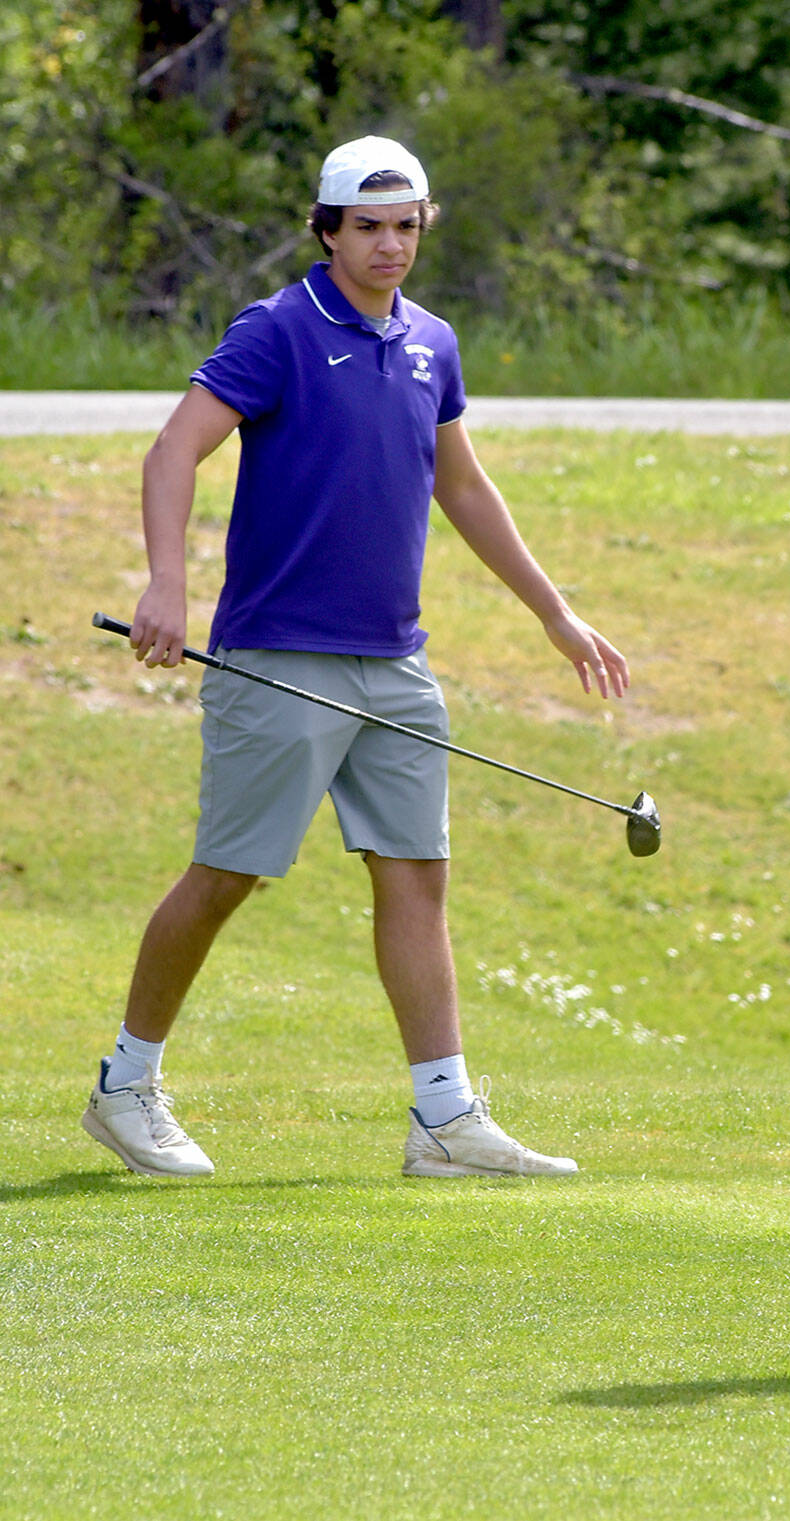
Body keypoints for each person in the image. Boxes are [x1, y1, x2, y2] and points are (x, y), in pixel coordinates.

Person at [82, 135, 629, 1181]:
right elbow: (174, 447)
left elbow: (461, 488)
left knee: (416, 878)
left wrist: (554, 614)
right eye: (368, 227)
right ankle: (125, 1087)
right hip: (280, 655)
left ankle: (444, 1119)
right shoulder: (278, 331)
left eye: (406, 226)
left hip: (395, 663)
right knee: (227, 874)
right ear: (326, 230)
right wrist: (166, 580)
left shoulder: (432, 342)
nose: (389, 245)